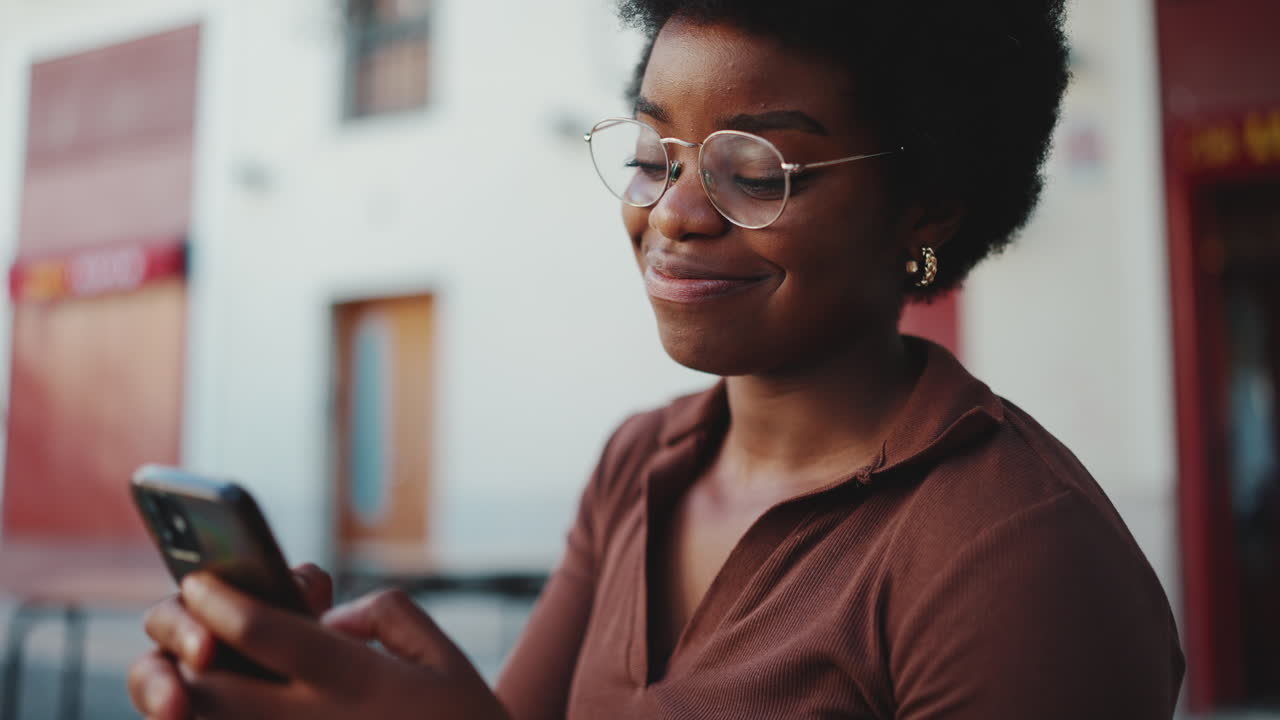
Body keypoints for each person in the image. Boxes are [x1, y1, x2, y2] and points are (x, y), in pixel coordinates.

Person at [129, 1, 1186, 718]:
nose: (674, 215)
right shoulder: (638, 468)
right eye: (651, 156)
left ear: (926, 205)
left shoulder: (1012, 558)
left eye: (755, 169)